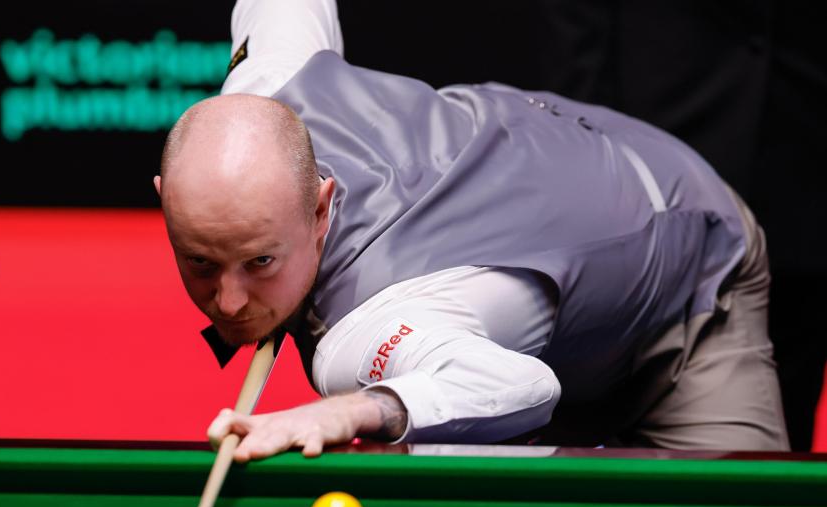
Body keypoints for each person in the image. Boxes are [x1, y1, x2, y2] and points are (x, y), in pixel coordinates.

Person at [154, 0, 789, 460]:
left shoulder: (366, 331)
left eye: (260, 261)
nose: (229, 302)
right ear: (163, 202)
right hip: (554, 263)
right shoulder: (269, 82)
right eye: (202, 262)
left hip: (688, 261)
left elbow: (522, 386)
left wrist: (348, 410)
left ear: (322, 208)